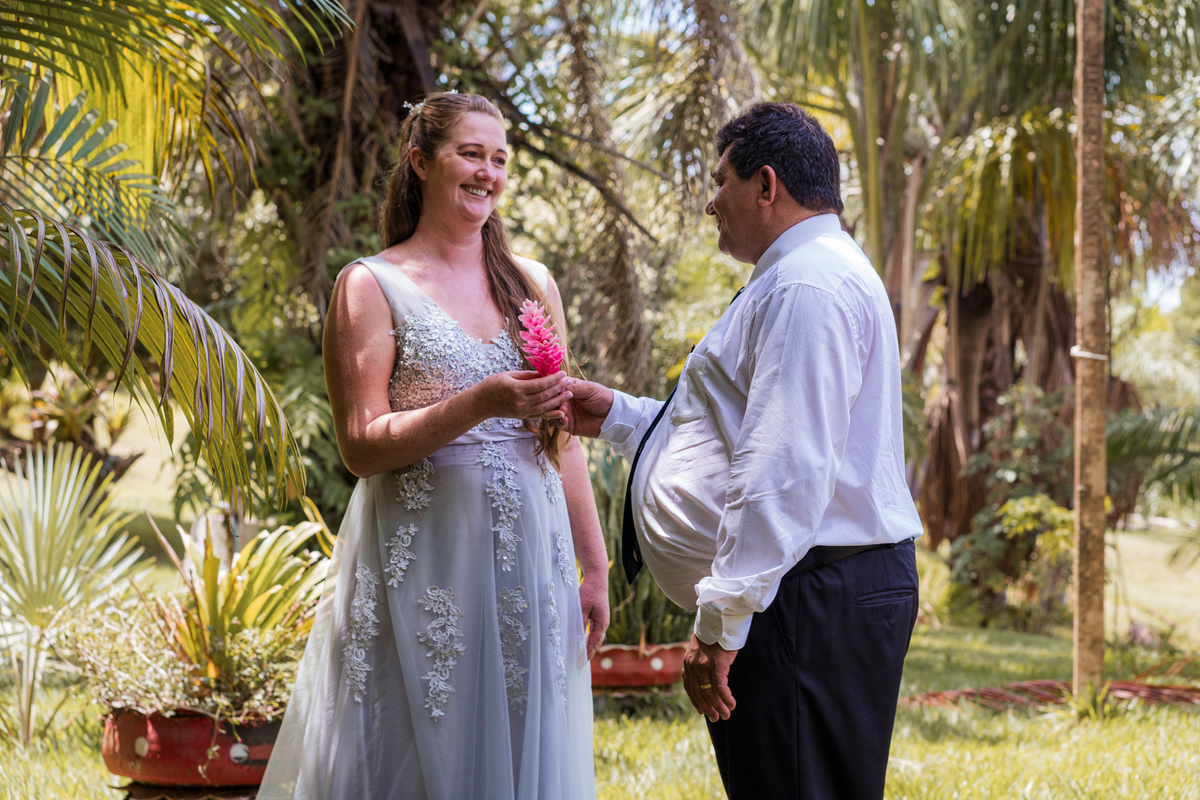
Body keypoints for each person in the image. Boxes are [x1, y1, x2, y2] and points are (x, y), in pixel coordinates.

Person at [561, 102, 924, 799]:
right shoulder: (798, 275)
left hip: (804, 597)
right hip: (803, 589)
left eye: (719, 180)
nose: (710, 202)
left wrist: (723, 619)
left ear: (765, 185)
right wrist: (617, 417)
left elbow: (784, 465)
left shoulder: (806, 284)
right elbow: (729, 432)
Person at [259, 92, 609, 800]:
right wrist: (479, 403)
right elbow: (361, 446)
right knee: (416, 753)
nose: (488, 173)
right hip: (427, 565)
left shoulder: (532, 283)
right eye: (470, 154)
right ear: (421, 162)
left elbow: (562, 436)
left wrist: (594, 566)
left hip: (530, 564)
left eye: (499, 159)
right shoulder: (370, 285)